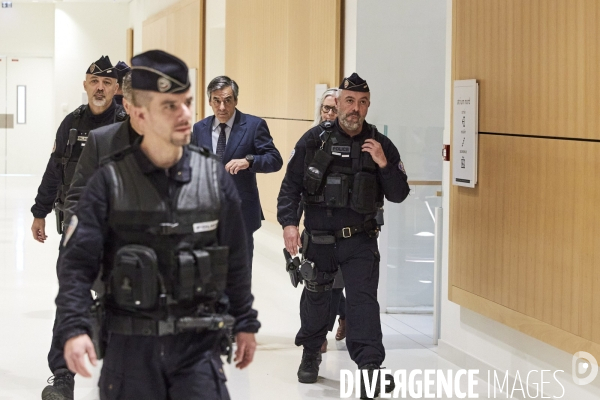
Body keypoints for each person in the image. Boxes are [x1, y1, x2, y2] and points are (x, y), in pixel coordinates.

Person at [54, 50, 259, 400]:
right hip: (130, 352)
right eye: (170, 106)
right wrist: (73, 328)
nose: (185, 115)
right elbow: (75, 266)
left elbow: (236, 259)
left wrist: (245, 321)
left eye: (187, 102)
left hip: (198, 352)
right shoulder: (109, 182)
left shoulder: (213, 179)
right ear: (139, 113)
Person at [277, 73, 410, 399]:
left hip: (360, 240)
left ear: (367, 106)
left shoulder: (380, 144)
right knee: (316, 298)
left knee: (363, 304)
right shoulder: (313, 140)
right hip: (320, 238)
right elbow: (291, 186)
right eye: (350, 101)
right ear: (337, 104)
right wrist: (289, 224)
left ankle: (369, 370)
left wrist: (383, 165)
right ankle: (311, 353)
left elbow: (399, 193)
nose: (356, 108)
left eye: (362, 102)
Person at [30, 55, 126, 400]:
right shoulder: (71, 124)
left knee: (122, 301)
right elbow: (55, 169)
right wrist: (40, 211)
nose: (100, 87)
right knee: (71, 301)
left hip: (119, 233)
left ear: (116, 88)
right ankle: (62, 377)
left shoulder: (128, 124)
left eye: (107, 83)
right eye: (94, 81)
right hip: (78, 228)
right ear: (85, 84)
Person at [192, 76, 282, 268]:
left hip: (241, 212)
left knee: (239, 273)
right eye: (216, 100)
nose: (222, 107)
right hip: (207, 213)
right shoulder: (199, 128)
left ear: (236, 100)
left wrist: (249, 161)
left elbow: (275, 160)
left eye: (227, 100)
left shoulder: (253, 125)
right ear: (209, 101)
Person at [309, 88, 347, 354]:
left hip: (345, 227)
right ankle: (343, 316)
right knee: (320, 281)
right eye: (326, 109)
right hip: (318, 223)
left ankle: (321, 333)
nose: (329, 114)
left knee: (335, 283)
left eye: (334, 109)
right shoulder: (311, 140)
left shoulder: (354, 142)